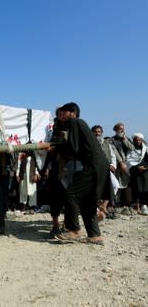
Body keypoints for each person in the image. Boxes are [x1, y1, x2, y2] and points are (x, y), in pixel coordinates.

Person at [55, 102, 110, 245]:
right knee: (88, 200)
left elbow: (74, 148)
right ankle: (95, 235)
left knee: (71, 194)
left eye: (63, 113)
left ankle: (74, 230)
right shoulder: (80, 123)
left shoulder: (74, 122)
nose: (61, 116)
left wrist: (57, 147)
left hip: (92, 164)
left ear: (72, 112)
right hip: (101, 164)